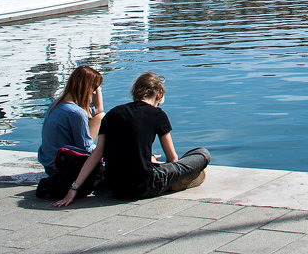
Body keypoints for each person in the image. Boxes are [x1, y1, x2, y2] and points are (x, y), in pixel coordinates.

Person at [53, 71, 209, 206]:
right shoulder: (158, 114)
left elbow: (96, 155)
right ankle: (174, 183)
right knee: (202, 153)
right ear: (158, 95)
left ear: (135, 93)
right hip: (144, 186)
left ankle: (159, 171)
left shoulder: (113, 114)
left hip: (115, 187)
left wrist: (73, 189)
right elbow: (172, 158)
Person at [38, 65, 105, 175]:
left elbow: (98, 110)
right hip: (60, 167)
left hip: (48, 163)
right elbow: (85, 147)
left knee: (100, 116)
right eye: (93, 88)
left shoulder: (56, 104)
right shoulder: (76, 113)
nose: (94, 93)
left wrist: (96, 86)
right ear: (86, 88)